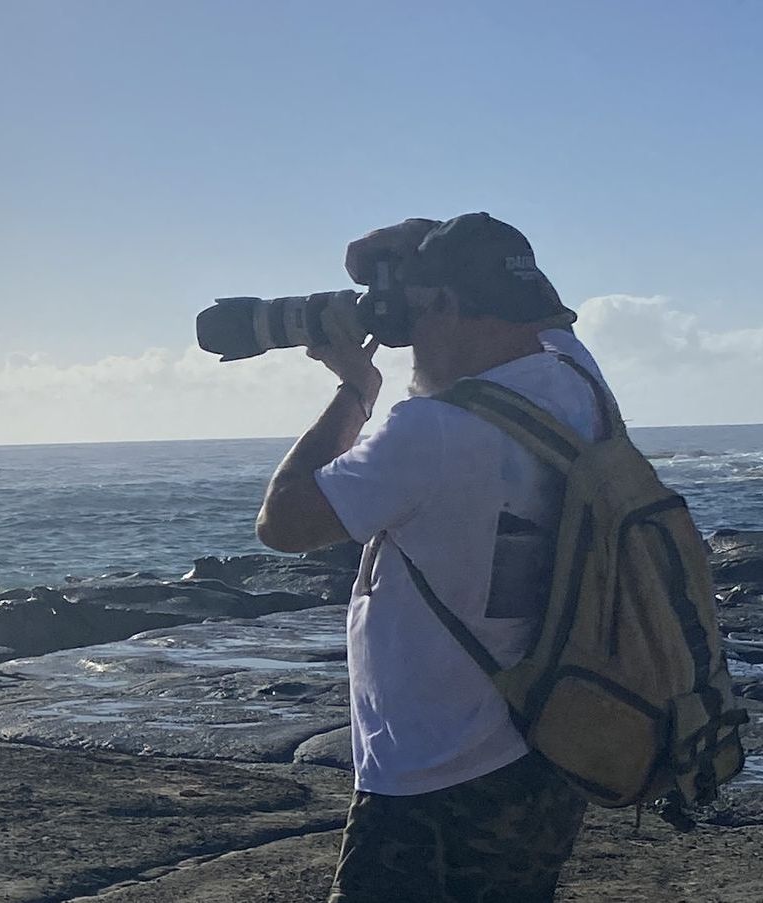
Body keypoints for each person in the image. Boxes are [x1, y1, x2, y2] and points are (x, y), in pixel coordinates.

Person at [256, 213, 616, 902]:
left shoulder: (436, 430)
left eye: (416, 316)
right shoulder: (575, 379)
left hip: (438, 770)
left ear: (447, 304)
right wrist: (424, 252)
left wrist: (355, 388)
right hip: (544, 741)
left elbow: (283, 520)